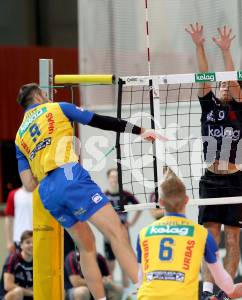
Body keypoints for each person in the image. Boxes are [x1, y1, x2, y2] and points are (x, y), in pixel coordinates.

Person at [14, 83, 165, 300]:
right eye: (45, 95)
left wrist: (44, 158)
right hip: (68, 176)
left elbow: (28, 184)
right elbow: (99, 121)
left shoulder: (20, 137)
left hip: (48, 191)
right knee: (117, 232)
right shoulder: (57, 108)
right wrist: (141, 130)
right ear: (38, 96)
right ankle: (149, 294)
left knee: (87, 246)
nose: (48, 98)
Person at [185, 23, 242, 300]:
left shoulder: (241, 109)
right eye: (220, 83)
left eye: (227, 84)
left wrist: (226, 52)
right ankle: (208, 291)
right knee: (209, 239)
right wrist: (199, 46)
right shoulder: (208, 106)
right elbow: (204, 77)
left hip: (234, 180)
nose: (223, 86)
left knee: (232, 239)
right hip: (210, 180)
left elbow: (232, 80)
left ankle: (226, 291)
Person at [136, 168, 242, 300]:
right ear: (187, 200)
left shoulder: (143, 233)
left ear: (160, 203)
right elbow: (221, 277)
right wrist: (231, 291)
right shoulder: (201, 234)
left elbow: (140, 277)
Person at [104, 168, 141, 295]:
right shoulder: (104, 195)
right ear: (108, 179)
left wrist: (131, 223)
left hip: (123, 232)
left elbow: (139, 207)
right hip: (108, 234)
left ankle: (126, 292)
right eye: (112, 176)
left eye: (116, 176)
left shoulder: (125, 194)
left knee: (125, 261)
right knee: (110, 264)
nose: (114, 179)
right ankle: (114, 292)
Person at [0, 230, 33, 300]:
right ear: (21, 245)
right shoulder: (13, 258)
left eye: (34, 242)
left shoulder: (38, 262)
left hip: (27, 296)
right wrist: (31, 292)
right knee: (18, 292)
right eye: (28, 242)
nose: (31, 245)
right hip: (8, 296)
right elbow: (8, 286)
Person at [4, 186, 33, 254]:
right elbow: (8, 219)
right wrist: (9, 241)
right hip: (19, 241)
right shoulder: (14, 194)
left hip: (38, 240)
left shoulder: (40, 192)